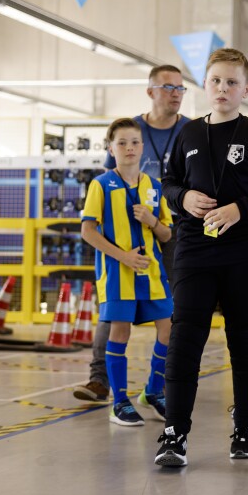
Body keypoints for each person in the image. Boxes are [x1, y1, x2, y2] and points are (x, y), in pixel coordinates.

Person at [153, 48, 248, 467]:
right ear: (206, 85)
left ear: (246, 89)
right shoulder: (189, 133)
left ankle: (246, 428)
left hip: (244, 251)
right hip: (194, 249)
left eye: (232, 82)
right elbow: (168, 181)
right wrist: (183, 197)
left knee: (245, 340)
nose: (223, 88)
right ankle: (174, 434)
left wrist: (241, 209)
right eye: (216, 80)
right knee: (185, 340)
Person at [73, 65, 190, 404]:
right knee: (115, 312)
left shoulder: (190, 131)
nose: (176, 93)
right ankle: (100, 380)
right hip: (126, 234)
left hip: (173, 227)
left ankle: (162, 384)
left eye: (181, 88)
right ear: (151, 90)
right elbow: (106, 184)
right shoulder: (130, 132)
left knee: (172, 313)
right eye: (169, 87)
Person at [79, 118, 174, 426]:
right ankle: (120, 402)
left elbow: (167, 235)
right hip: (117, 272)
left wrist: (152, 221)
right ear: (111, 148)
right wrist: (123, 257)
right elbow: (88, 231)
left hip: (152, 272)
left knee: (169, 329)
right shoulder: (101, 184)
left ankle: (153, 392)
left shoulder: (154, 186)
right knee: (121, 332)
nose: (129, 148)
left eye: (134, 142)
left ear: (142, 147)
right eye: (122, 143)